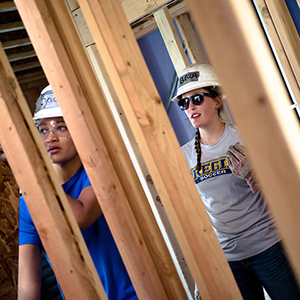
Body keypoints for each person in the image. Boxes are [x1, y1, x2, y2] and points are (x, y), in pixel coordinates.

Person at [172, 63, 300, 300]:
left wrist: (261, 177)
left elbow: (288, 189)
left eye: (197, 98)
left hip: (269, 249)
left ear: (217, 101)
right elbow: (194, 213)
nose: (190, 107)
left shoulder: (246, 138)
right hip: (227, 259)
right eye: (184, 103)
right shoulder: (185, 155)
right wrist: (205, 272)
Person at [18, 85, 138, 300]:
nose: (50, 137)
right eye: (43, 129)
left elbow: (79, 217)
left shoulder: (98, 174)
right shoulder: (28, 200)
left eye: (61, 127)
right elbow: (28, 285)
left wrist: (33, 177)